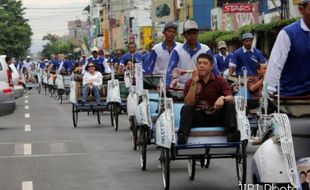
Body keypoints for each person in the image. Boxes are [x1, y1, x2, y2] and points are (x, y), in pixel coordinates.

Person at [177, 53, 240, 145]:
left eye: (205, 63)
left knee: (229, 104)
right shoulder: (189, 82)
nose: (202, 66)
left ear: (211, 66)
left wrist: (222, 98)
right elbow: (189, 103)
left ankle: (231, 135)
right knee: (186, 108)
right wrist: (194, 84)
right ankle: (182, 136)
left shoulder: (220, 80)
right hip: (198, 117)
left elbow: (230, 97)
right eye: (199, 63)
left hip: (216, 116)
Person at [265, 0, 310, 96]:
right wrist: (269, 91)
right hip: (291, 94)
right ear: (301, 10)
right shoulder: (288, 34)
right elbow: (276, 64)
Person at [166, 20, 220, 86]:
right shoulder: (177, 50)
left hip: (201, 86)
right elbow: (170, 70)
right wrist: (166, 87)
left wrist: (220, 84)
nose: (192, 36)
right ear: (184, 35)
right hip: (182, 87)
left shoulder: (206, 49)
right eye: (189, 33)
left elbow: (214, 69)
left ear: (197, 34)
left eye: (194, 33)